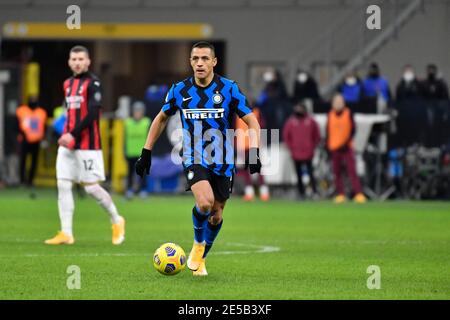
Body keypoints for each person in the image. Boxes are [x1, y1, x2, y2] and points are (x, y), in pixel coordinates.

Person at [135, 41, 262, 276]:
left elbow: (252, 121)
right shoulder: (179, 90)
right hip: (194, 156)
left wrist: (254, 151)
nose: (200, 63)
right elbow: (161, 118)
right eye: (195, 59)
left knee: (216, 214)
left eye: (205, 58)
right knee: (204, 202)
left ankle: (201, 259)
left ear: (214, 62)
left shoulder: (229, 88)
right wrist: (146, 151)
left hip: (223, 159)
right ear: (190, 62)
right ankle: (198, 244)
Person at [45, 45, 125, 245]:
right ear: (69, 62)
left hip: (88, 145)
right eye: (74, 59)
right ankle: (66, 233)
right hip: (68, 144)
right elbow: (70, 114)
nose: (78, 62)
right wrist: (65, 133)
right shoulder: (67, 84)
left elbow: (92, 114)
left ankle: (117, 219)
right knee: (63, 184)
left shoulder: (94, 83)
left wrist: (72, 134)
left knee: (91, 189)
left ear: (88, 61)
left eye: (81, 59)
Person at [326, 93, 366, 203]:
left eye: (340, 101)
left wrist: (346, 142)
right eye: (336, 101)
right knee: (337, 172)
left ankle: (358, 193)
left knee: (352, 171)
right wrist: (328, 146)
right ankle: (340, 194)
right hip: (334, 147)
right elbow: (328, 131)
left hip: (346, 147)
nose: (338, 103)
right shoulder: (330, 115)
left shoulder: (348, 113)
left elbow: (353, 130)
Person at [283, 101, 321, 199]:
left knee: (311, 173)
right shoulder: (291, 122)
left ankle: (314, 191)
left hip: (308, 152)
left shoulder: (311, 121)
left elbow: (317, 135)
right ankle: (301, 192)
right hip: (296, 153)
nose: (298, 110)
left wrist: (312, 146)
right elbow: (286, 136)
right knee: (298, 174)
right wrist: (291, 147)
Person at [235, 106, 269, 201]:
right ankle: (251, 192)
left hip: (253, 144)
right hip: (242, 145)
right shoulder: (237, 113)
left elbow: (262, 126)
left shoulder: (256, 112)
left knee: (256, 168)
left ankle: (263, 192)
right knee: (245, 169)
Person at [16, 97, 47, 189]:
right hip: (24, 140)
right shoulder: (22, 111)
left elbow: (43, 126)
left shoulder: (41, 112)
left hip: (36, 141)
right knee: (23, 161)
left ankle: (30, 181)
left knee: (34, 162)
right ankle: (22, 181)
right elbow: (16, 124)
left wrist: (43, 139)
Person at [124, 101, 151, 199]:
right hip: (130, 152)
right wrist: (124, 151)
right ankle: (129, 191)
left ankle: (143, 191)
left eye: (139, 111)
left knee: (143, 173)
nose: (138, 113)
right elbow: (124, 139)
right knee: (130, 173)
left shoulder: (146, 122)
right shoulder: (128, 123)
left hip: (142, 153)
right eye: (136, 111)